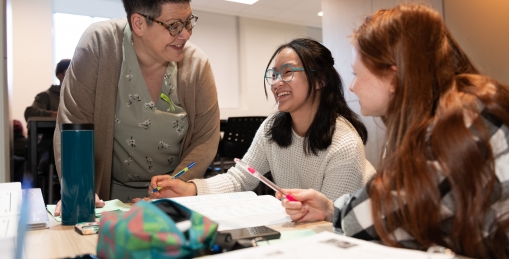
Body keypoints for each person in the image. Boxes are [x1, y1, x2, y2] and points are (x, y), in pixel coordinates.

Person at [280, 4, 509, 259]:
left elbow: (366, 218)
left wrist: (335, 211)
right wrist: (329, 209)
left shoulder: (461, 123)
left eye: (356, 74)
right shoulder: (461, 105)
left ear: (393, 75)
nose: (352, 86)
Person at [147, 38, 376, 201]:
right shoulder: (272, 127)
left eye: (287, 72)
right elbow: (240, 179)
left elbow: (333, 218)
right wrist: (189, 189)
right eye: (274, 75)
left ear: (321, 80)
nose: (276, 83)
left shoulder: (344, 143)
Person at [53, 0, 220, 213]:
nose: (186, 34)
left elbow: (205, 139)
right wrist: (79, 188)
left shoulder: (197, 64)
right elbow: (73, 119)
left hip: (170, 198)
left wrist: (170, 192)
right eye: (174, 26)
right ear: (139, 23)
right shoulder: (99, 44)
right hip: (105, 198)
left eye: (189, 22)